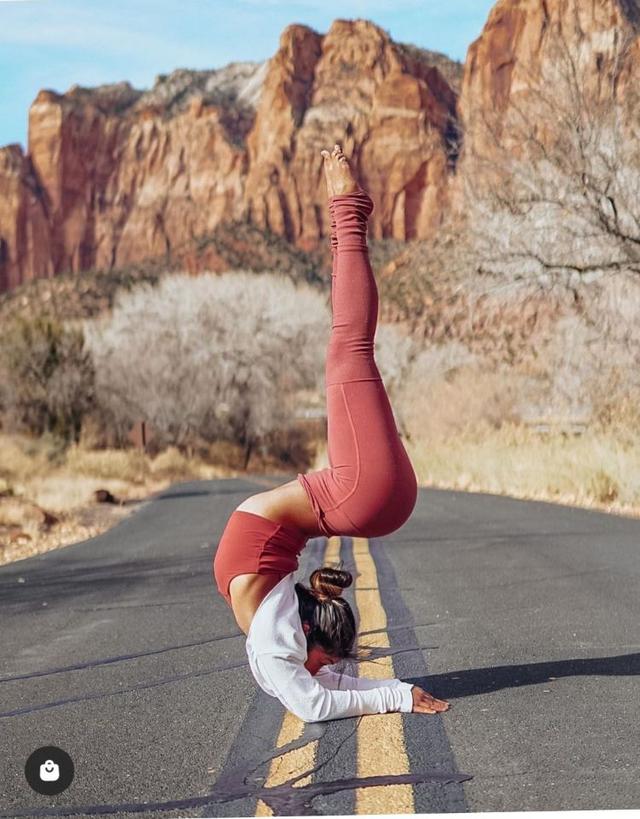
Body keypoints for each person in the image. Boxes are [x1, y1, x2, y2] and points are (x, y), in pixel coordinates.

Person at [213, 143, 449, 722]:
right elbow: (315, 691)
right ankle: (347, 214)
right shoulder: (276, 629)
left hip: (366, 496)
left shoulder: (276, 642)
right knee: (349, 350)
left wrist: (391, 690)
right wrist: (394, 691)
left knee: (351, 350)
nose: (322, 669)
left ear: (309, 634)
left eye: (322, 661)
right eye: (322, 662)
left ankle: (349, 213)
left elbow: (314, 694)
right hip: (356, 492)